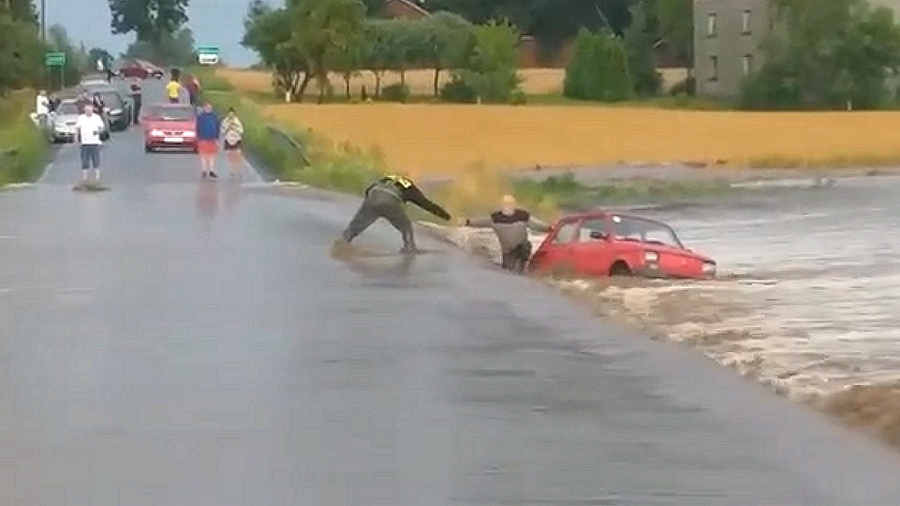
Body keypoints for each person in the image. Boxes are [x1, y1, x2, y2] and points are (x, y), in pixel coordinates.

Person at [341, 174, 451, 253]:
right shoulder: (410, 188)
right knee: (406, 226)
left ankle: (344, 241)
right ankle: (409, 247)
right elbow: (426, 205)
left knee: (355, 226)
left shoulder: (386, 178)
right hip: (391, 201)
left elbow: (368, 190)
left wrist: (368, 208)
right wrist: (447, 217)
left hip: (372, 197)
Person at [461, 195, 550, 273]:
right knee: (509, 273)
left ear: (514, 205)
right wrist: (467, 222)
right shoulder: (495, 218)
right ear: (501, 206)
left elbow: (537, 225)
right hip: (508, 252)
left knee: (525, 248)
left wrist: (549, 228)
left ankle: (526, 267)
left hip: (522, 248)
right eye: (506, 204)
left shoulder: (523, 215)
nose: (508, 206)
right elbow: (479, 222)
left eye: (510, 204)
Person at [74, 104, 106, 184]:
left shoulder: (96, 118)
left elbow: (102, 128)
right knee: (85, 161)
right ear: (84, 111)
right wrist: (76, 139)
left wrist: (97, 132)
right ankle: (85, 178)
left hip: (94, 142)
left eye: (90, 111)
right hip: (85, 143)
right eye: (87, 111)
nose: (88, 112)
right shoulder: (81, 118)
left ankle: (97, 177)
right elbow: (77, 128)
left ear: (92, 110)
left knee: (96, 160)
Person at [195, 102, 220, 179]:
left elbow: (217, 128)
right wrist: (198, 137)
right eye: (207, 108)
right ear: (204, 108)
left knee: (212, 156)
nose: (208, 109)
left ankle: (211, 171)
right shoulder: (200, 117)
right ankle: (204, 171)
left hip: (212, 139)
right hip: (203, 138)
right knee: (203, 156)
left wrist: (217, 138)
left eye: (210, 108)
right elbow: (197, 127)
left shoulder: (215, 117)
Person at [220, 107, 245, 178]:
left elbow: (241, 131)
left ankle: (239, 171)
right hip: (228, 139)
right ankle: (232, 171)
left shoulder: (237, 121)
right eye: (229, 114)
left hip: (237, 139)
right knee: (230, 156)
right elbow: (222, 131)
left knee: (238, 156)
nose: (231, 115)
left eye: (232, 114)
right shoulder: (225, 121)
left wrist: (234, 127)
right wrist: (228, 128)